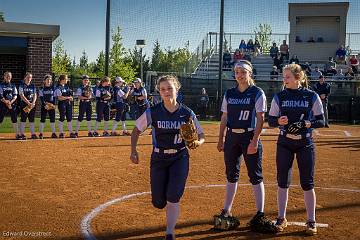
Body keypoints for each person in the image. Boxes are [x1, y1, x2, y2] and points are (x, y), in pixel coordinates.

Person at [130, 75, 205, 240]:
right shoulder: (153, 111)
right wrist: (133, 151)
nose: (166, 92)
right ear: (159, 92)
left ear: (177, 89)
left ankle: (170, 232)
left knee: (173, 196)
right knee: (158, 202)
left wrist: (198, 142)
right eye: (163, 89)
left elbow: (201, 134)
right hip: (158, 158)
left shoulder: (186, 113)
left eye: (170, 88)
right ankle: (162, 200)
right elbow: (136, 130)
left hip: (180, 157)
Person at [215, 60, 274, 233]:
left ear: (250, 73)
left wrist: (255, 141)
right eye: (237, 72)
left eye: (243, 72)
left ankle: (260, 213)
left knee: (255, 175)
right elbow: (224, 118)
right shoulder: (229, 93)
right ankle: (227, 210)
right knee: (231, 174)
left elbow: (261, 119)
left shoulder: (257, 93)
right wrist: (221, 139)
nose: (239, 75)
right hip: (232, 137)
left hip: (249, 136)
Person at [268, 63, 325, 235]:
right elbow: (270, 121)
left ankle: (311, 221)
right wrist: (280, 121)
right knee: (282, 182)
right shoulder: (280, 96)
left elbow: (321, 121)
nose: (284, 80)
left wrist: (307, 123)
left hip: (305, 143)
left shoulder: (311, 96)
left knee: (307, 183)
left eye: (287, 77)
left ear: (298, 78)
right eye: (284, 77)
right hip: (284, 142)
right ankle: (281, 218)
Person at [0, 71, 19, 139]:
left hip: (12, 104)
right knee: (0, 119)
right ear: (4, 77)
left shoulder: (13, 85)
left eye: (9, 76)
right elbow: (0, 95)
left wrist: (10, 102)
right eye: (7, 76)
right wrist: (6, 102)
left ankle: (17, 134)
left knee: (14, 118)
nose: (8, 77)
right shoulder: (1, 85)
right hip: (3, 104)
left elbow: (15, 95)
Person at [18, 72, 37, 139]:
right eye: (28, 77)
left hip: (32, 105)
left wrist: (33, 102)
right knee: (23, 119)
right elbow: (21, 95)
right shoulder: (21, 85)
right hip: (24, 104)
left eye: (30, 77)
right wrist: (28, 103)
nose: (29, 78)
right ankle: (22, 134)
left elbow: (35, 95)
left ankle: (33, 134)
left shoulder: (33, 86)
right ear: (25, 77)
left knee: (31, 119)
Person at [38, 74, 57, 139]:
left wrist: (53, 105)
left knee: (52, 119)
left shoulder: (53, 88)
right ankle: (41, 133)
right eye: (47, 79)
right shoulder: (42, 88)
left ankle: (53, 133)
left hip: (51, 105)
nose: (49, 81)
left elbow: (54, 97)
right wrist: (45, 105)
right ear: (44, 81)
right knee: (43, 119)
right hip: (45, 106)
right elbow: (41, 98)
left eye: (50, 80)